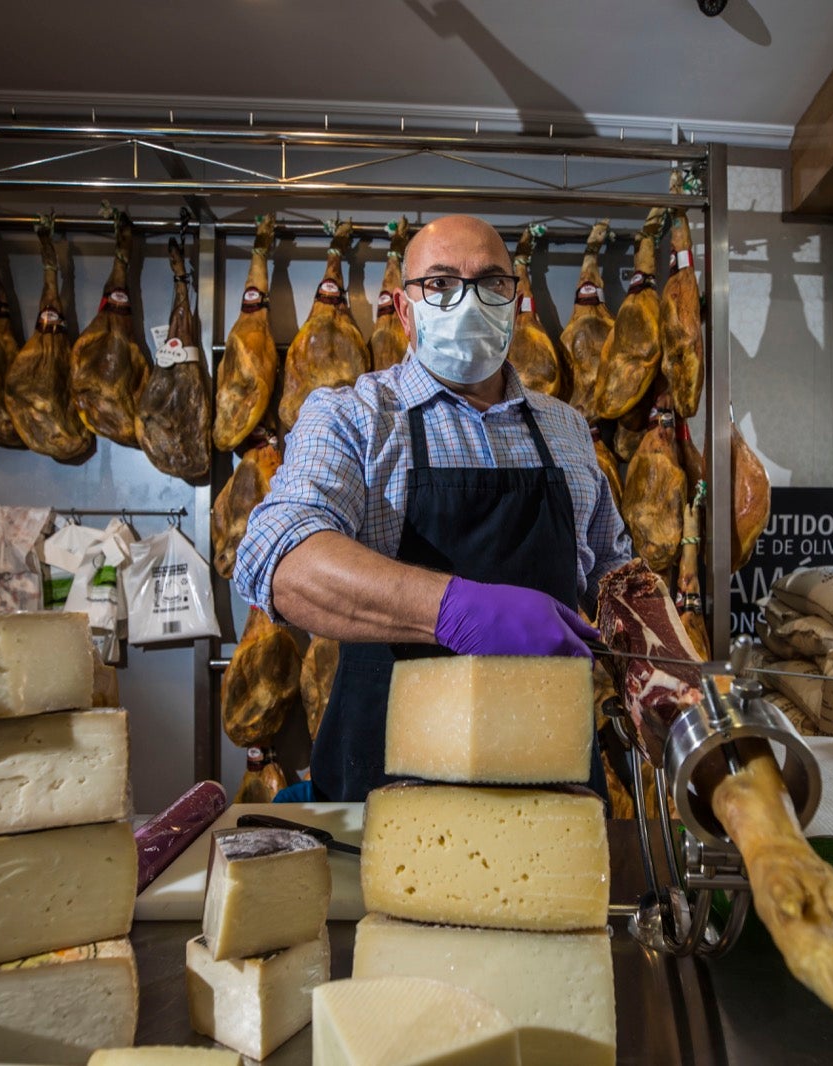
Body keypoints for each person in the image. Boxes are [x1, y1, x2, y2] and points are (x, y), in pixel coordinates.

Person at [233, 215, 632, 802]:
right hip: (391, 785)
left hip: (551, 783)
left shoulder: (568, 429)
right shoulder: (353, 416)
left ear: (514, 298)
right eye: (441, 284)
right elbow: (281, 561)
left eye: (491, 282)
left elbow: (615, 580)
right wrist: (455, 610)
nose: (468, 300)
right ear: (403, 309)